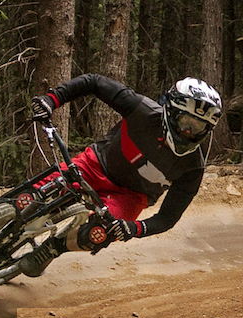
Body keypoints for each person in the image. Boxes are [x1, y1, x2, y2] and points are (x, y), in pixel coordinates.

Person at [18, 74, 222, 277]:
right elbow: (94, 82)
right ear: (171, 111)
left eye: (198, 127)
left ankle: (53, 248)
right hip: (95, 165)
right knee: (28, 197)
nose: (188, 132)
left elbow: (167, 218)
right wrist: (52, 99)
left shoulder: (193, 167)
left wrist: (134, 229)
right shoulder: (142, 110)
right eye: (186, 121)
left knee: (99, 233)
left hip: (130, 197)